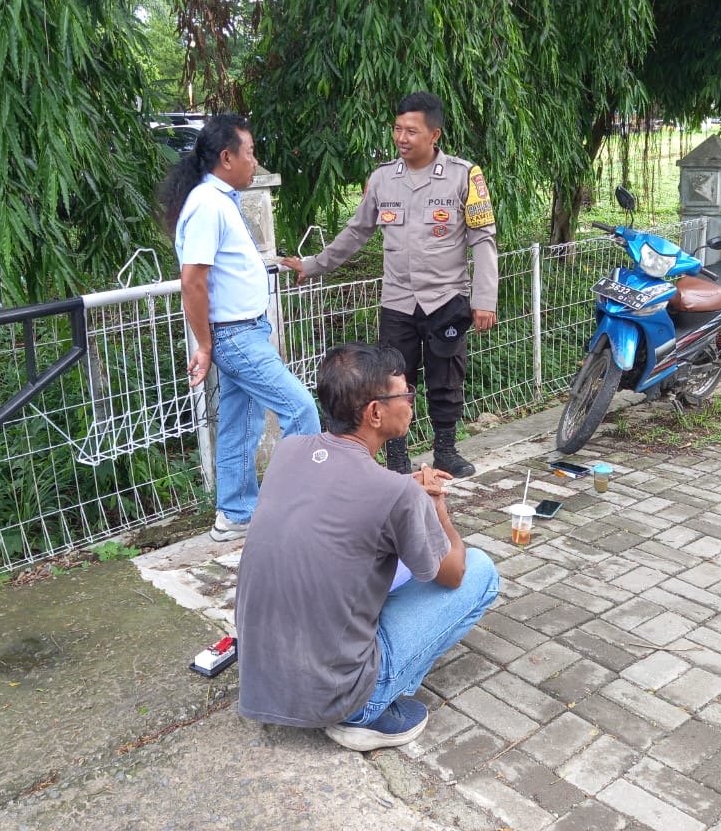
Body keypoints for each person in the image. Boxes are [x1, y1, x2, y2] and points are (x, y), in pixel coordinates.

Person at [234, 343, 500, 751]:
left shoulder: (289, 452)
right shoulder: (395, 494)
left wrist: (405, 490)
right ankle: (369, 710)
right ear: (375, 412)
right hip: (340, 695)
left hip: (262, 682)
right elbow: (453, 574)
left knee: (387, 562)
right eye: (405, 393)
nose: (411, 402)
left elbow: (341, 497)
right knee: (480, 570)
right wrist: (437, 509)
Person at [280, 91, 497, 478]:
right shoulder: (382, 179)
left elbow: (483, 239)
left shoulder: (465, 176)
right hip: (398, 301)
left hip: (447, 298)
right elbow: (356, 231)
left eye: (411, 131)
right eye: (397, 129)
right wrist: (313, 265)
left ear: (434, 135)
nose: (401, 138)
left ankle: (446, 450)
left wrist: (484, 299)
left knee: (446, 378)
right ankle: (397, 458)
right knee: (393, 380)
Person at [157, 113, 321, 542]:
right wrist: (205, 345)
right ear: (227, 157)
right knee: (300, 409)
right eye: (250, 153)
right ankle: (305, 511)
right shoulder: (208, 205)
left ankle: (234, 514)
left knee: (239, 425)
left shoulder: (219, 200)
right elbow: (192, 281)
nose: (255, 161)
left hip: (244, 330)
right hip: (234, 335)